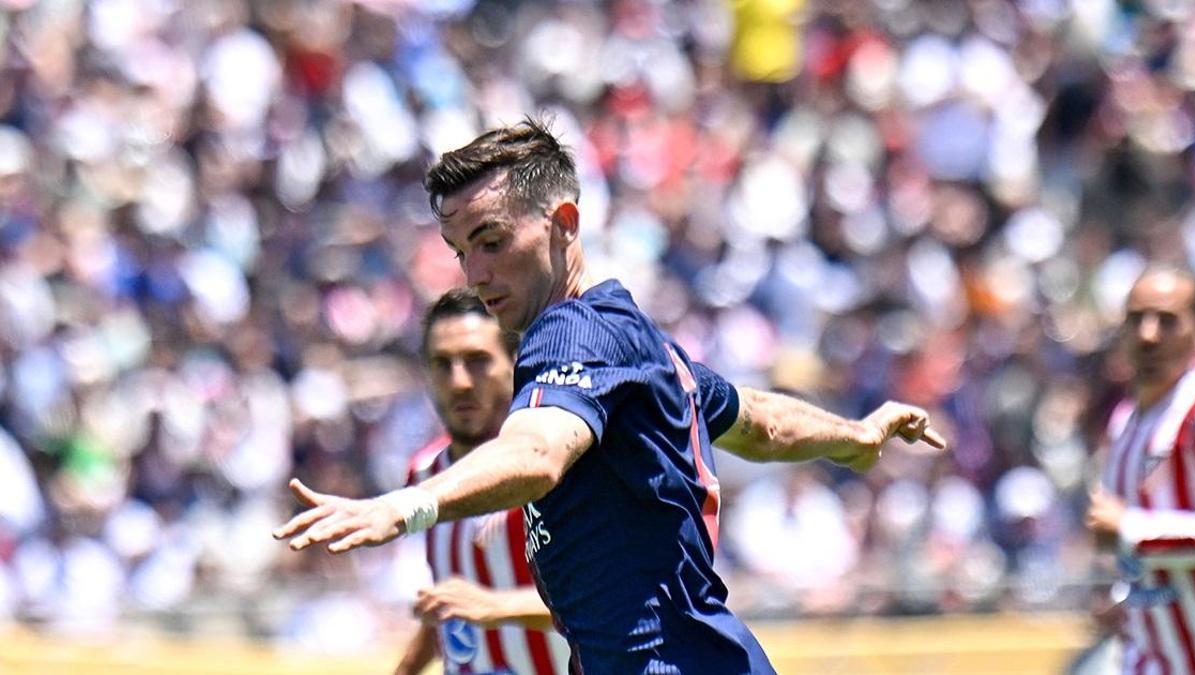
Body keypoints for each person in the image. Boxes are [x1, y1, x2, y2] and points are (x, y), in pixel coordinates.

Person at [275, 118, 945, 674]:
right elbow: (761, 422)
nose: (475, 273)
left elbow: (538, 453)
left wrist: (404, 507)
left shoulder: (570, 334)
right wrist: (857, 436)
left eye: (492, 241)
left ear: (563, 221)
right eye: (460, 251)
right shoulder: (638, 341)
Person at [394, 289, 570, 675]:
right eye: (443, 364)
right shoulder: (425, 475)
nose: (459, 382)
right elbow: (452, 603)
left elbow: (607, 597)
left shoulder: (557, 468)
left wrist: (495, 605)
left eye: (477, 361)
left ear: (515, 364)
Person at [1087, 265, 1195, 675]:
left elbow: (1126, 529)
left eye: (1167, 321)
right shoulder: (1124, 423)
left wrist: (1132, 529)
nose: (1148, 335)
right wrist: (1121, 598)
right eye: (1136, 319)